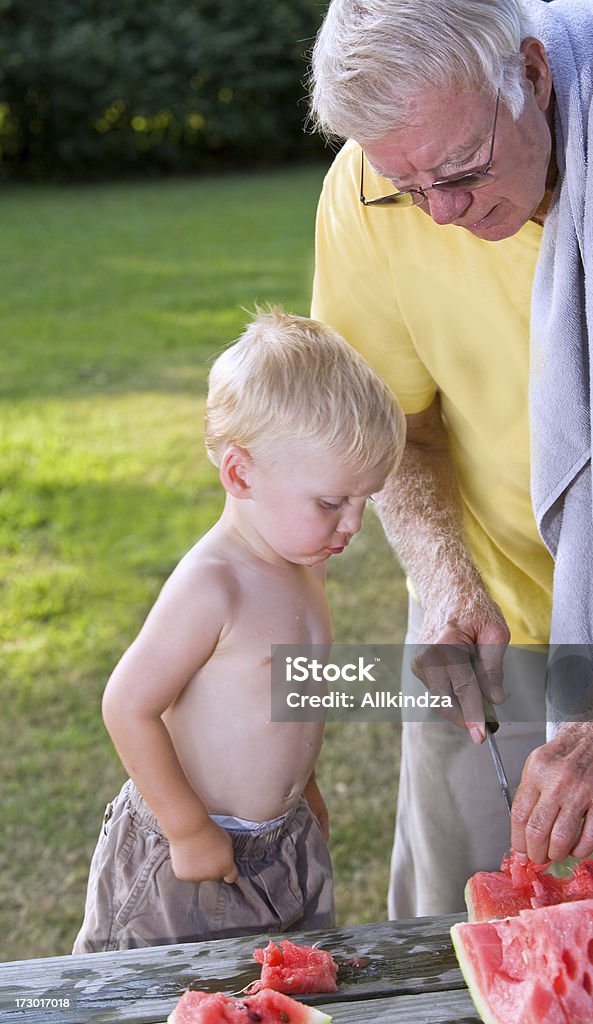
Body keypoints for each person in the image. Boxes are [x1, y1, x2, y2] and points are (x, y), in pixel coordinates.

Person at [308, 0, 593, 918]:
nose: (438, 213)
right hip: (489, 615)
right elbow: (397, 428)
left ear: (532, 74)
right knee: (445, 928)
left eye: (462, 171)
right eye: (406, 186)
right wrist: (445, 582)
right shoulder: (366, 189)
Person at [72, 308, 405, 951]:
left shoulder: (306, 566)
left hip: (286, 841)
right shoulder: (214, 584)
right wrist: (186, 827)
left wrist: (303, 791)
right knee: (165, 999)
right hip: (192, 856)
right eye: (333, 502)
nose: (354, 524)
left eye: (365, 500)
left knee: (279, 990)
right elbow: (127, 704)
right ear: (241, 474)